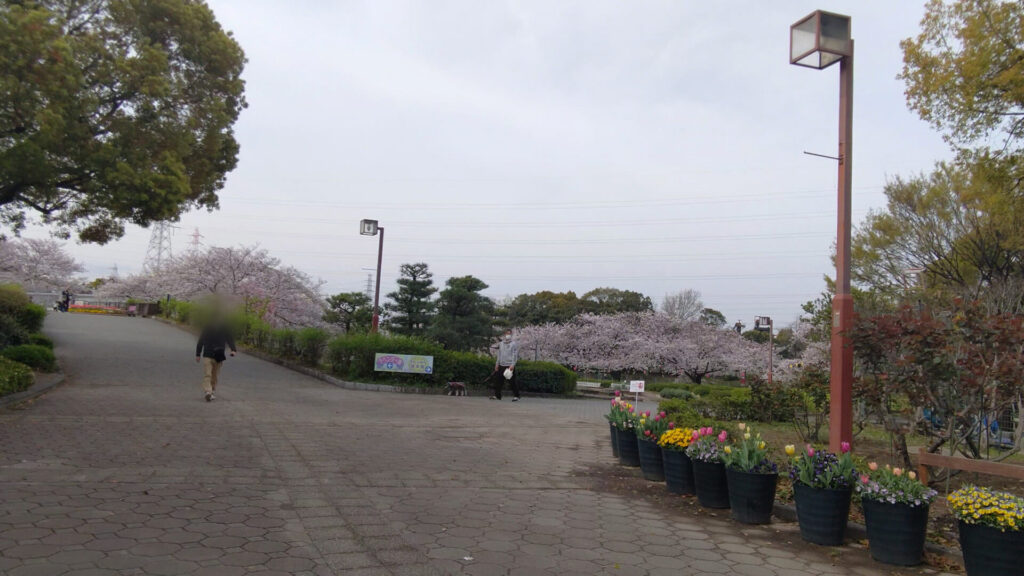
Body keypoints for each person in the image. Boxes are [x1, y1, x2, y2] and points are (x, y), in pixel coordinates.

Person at [195, 322, 237, 402]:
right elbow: (201, 340)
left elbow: (229, 338)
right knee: (208, 374)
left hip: (219, 355)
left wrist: (233, 349)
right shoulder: (207, 327)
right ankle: (208, 391)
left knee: (215, 375)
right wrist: (198, 354)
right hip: (207, 354)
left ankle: (212, 390)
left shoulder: (224, 327)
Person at [491, 329, 519, 401]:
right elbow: (499, 355)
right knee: (498, 381)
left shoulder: (513, 344)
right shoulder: (501, 344)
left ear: (511, 335)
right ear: (504, 334)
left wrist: (512, 364)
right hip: (501, 365)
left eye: (509, 334)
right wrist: (497, 364)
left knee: (512, 382)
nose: (508, 335)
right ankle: (497, 396)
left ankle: (516, 396)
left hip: (509, 366)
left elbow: (515, 355)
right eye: (507, 333)